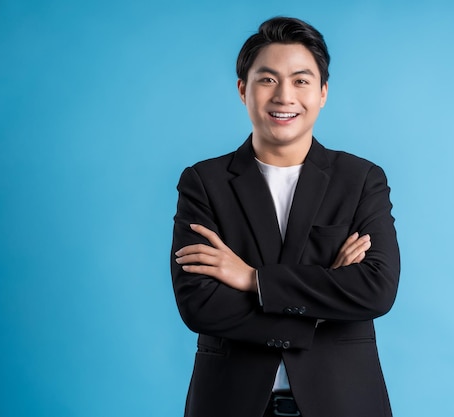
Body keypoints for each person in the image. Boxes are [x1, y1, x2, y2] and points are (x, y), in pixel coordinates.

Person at [171, 16, 400, 417]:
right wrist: (325, 298)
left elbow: (375, 289)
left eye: (300, 80)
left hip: (343, 402)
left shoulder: (361, 179)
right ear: (243, 90)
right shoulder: (204, 182)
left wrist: (251, 279)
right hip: (229, 403)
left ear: (323, 92)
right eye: (267, 79)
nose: (284, 96)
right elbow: (200, 304)